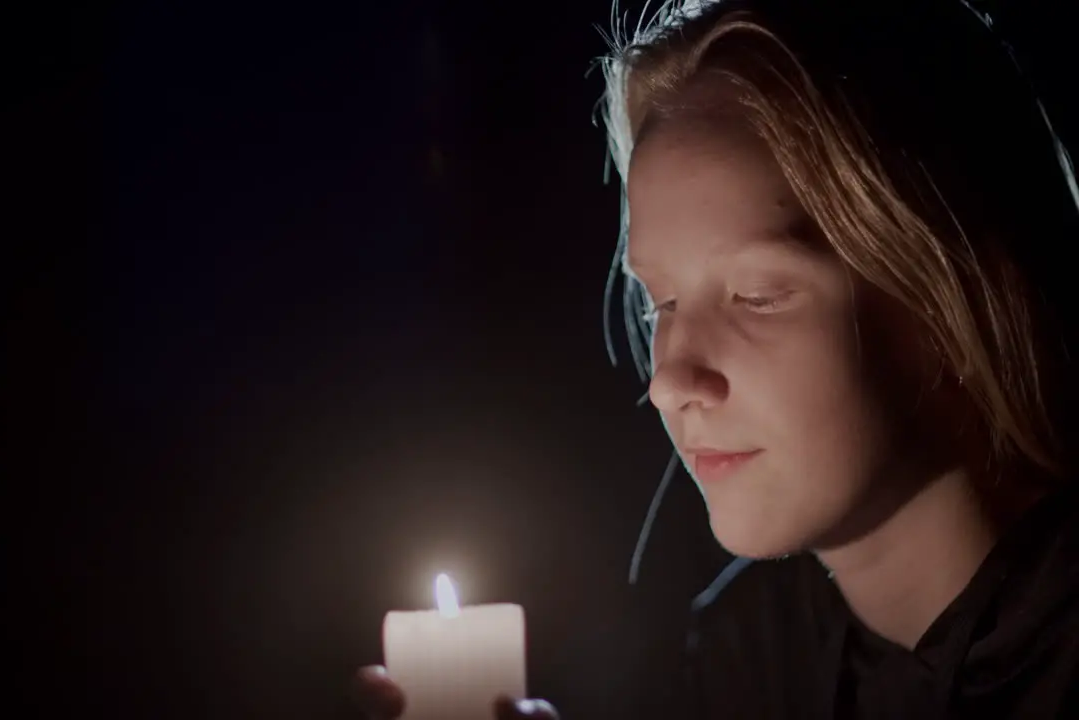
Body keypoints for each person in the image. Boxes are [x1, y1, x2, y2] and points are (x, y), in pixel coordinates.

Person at [353, 0, 1079, 717]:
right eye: (660, 302)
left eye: (757, 296)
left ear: (956, 299)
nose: (669, 382)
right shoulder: (746, 659)